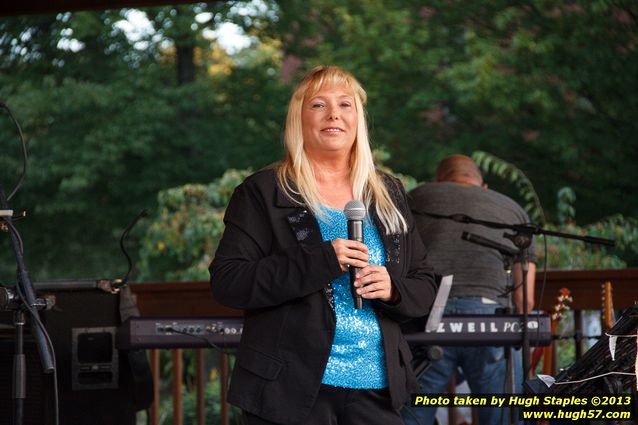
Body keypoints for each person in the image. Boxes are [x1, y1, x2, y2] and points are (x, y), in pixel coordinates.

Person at [209, 66, 438, 425]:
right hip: (290, 391)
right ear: (298, 119)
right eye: (318, 105)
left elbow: (425, 282)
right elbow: (229, 281)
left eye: (345, 104)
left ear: (358, 119)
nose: (334, 114)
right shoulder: (263, 192)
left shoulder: (388, 192)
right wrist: (319, 260)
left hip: (378, 391)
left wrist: (394, 290)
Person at [402, 154, 537, 425]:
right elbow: (525, 300)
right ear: (482, 186)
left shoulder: (415, 197)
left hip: (426, 319)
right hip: (492, 320)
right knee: (504, 417)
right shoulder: (512, 208)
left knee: (412, 416)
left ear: (439, 182)